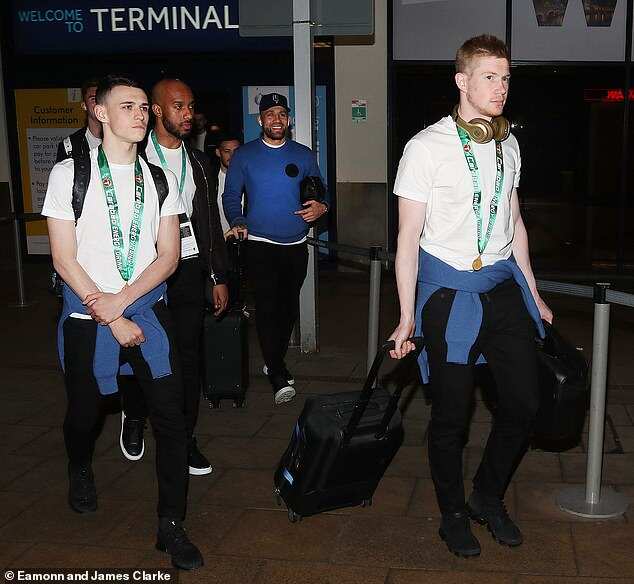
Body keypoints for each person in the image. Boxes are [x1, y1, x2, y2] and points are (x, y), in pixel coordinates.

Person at [388, 35, 553, 558]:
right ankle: (452, 512)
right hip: (450, 294)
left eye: (505, 77)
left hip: (502, 288)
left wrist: (533, 291)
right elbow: (407, 240)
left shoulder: (510, 143)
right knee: (451, 417)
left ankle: (486, 495)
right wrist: (405, 315)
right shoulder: (425, 147)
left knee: (526, 403)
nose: (500, 87)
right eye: (489, 76)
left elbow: (515, 221)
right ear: (462, 80)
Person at [42, 74, 203, 570]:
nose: (138, 114)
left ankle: (170, 525)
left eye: (141, 107)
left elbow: (169, 256)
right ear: (101, 113)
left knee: (172, 419)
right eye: (127, 106)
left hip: (145, 311)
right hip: (86, 311)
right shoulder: (70, 174)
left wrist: (124, 303)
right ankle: (79, 464)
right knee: (85, 415)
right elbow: (64, 259)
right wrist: (106, 312)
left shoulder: (159, 177)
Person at [119, 78, 229, 476]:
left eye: (191, 106)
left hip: (187, 269)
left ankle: (184, 440)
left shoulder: (201, 163)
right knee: (136, 350)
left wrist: (217, 274)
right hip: (144, 272)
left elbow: (211, 224)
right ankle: (134, 416)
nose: (188, 114)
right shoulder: (132, 159)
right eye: (178, 106)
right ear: (158, 111)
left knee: (186, 359)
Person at [223, 93, 328, 404]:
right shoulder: (244, 156)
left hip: (296, 244)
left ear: (289, 119)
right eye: (270, 114)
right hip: (260, 243)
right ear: (260, 120)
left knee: (287, 308)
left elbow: (322, 191)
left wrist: (321, 207)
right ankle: (278, 373)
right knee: (268, 307)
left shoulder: (304, 154)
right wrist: (238, 219)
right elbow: (231, 196)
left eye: (282, 113)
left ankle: (273, 360)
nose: (277, 119)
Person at [55, 79, 102, 162]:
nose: (98, 103)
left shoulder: (124, 140)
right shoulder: (69, 146)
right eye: (93, 99)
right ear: (84, 106)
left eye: (101, 98)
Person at [214, 132, 242, 236]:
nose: (232, 155)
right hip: (219, 241)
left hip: (245, 240)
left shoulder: (250, 179)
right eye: (227, 151)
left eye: (236, 151)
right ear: (218, 152)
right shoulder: (209, 180)